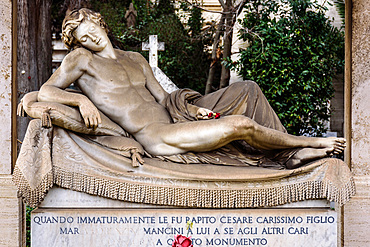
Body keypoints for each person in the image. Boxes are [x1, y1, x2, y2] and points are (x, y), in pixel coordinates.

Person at [38, 8, 346, 169]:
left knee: (248, 89)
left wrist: (193, 108)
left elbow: (163, 97)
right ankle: (308, 144)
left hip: (176, 118)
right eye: (81, 36)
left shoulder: (135, 58)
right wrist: (80, 100)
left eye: (89, 28)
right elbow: (46, 92)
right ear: (77, 44)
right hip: (155, 135)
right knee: (239, 125)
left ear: (100, 23)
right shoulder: (81, 60)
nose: (89, 37)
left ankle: (286, 155)